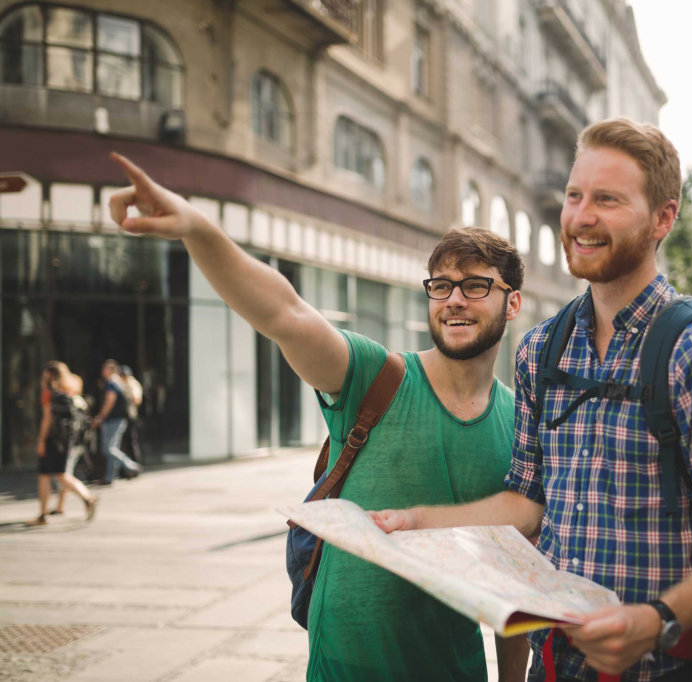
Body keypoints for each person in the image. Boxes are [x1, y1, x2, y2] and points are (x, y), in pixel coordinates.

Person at [106, 153, 531, 682]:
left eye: (475, 286)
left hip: (454, 671)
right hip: (343, 669)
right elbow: (285, 313)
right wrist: (198, 229)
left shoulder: (521, 422)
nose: (454, 300)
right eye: (441, 285)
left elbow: (516, 574)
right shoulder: (378, 376)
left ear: (513, 303)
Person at [373, 118, 692, 682]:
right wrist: (416, 520)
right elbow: (526, 504)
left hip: (669, 670)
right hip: (556, 666)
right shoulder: (540, 350)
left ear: (663, 218)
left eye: (607, 199)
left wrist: (654, 622)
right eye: (575, 196)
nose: (581, 217)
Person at [28, 361, 98, 525]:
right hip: (67, 439)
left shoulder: (49, 392)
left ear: (49, 375)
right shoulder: (70, 390)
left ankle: (43, 515)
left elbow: (47, 418)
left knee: (45, 475)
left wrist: (41, 440)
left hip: (52, 438)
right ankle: (86, 497)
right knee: (62, 474)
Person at [91, 359, 142, 485]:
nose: (102, 371)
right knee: (113, 447)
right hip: (120, 419)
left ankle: (131, 465)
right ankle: (109, 477)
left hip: (113, 419)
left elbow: (109, 402)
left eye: (105, 368)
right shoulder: (119, 382)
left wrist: (100, 417)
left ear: (111, 370)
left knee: (108, 448)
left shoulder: (111, 383)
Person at [118, 365, 144, 467]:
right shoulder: (122, 384)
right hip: (125, 416)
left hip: (131, 417)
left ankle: (136, 465)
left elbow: (137, 400)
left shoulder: (132, 384)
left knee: (131, 441)